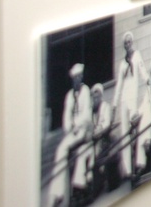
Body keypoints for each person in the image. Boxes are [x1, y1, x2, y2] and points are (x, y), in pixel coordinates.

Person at [47, 63, 92, 207]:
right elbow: (65, 118)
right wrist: (69, 127)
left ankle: (76, 188)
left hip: (83, 130)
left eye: (79, 77)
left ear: (82, 77)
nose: (77, 80)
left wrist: (76, 124)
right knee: (60, 151)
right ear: (72, 79)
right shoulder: (69, 96)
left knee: (73, 148)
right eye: (75, 78)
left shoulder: (86, 91)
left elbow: (86, 115)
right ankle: (57, 193)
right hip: (73, 132)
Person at [113, 31, 150, 179]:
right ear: (124, 45)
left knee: (137, 130)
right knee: (125, 133)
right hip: (123, 100)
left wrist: (148, 80)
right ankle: (128, 170)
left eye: (129, 41)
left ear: (132, 43)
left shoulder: (137, 56)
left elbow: (143, 72)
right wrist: (114, 104)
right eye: (125, 42)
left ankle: (140, 163)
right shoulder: (122, 64)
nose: (127, 44)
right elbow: (119, 85)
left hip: (133, 100)